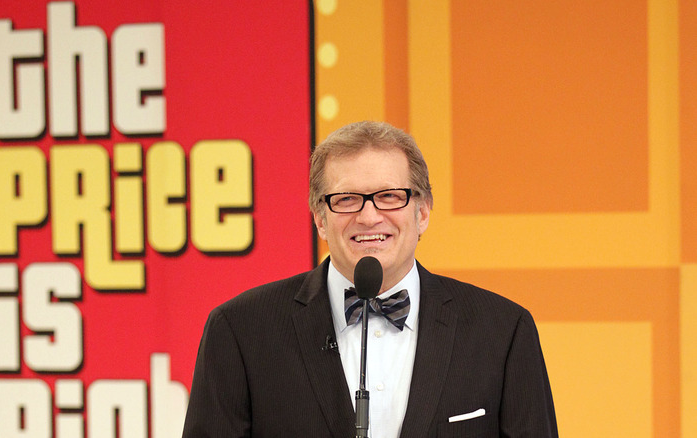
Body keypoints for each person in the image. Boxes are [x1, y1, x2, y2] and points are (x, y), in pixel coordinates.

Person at [182, 121, 558, 437]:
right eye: (346, 199)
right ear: (319, 218)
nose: (369, 216)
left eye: (390, 197)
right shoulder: (240, 331)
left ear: (423, 211)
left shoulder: (503, 331)